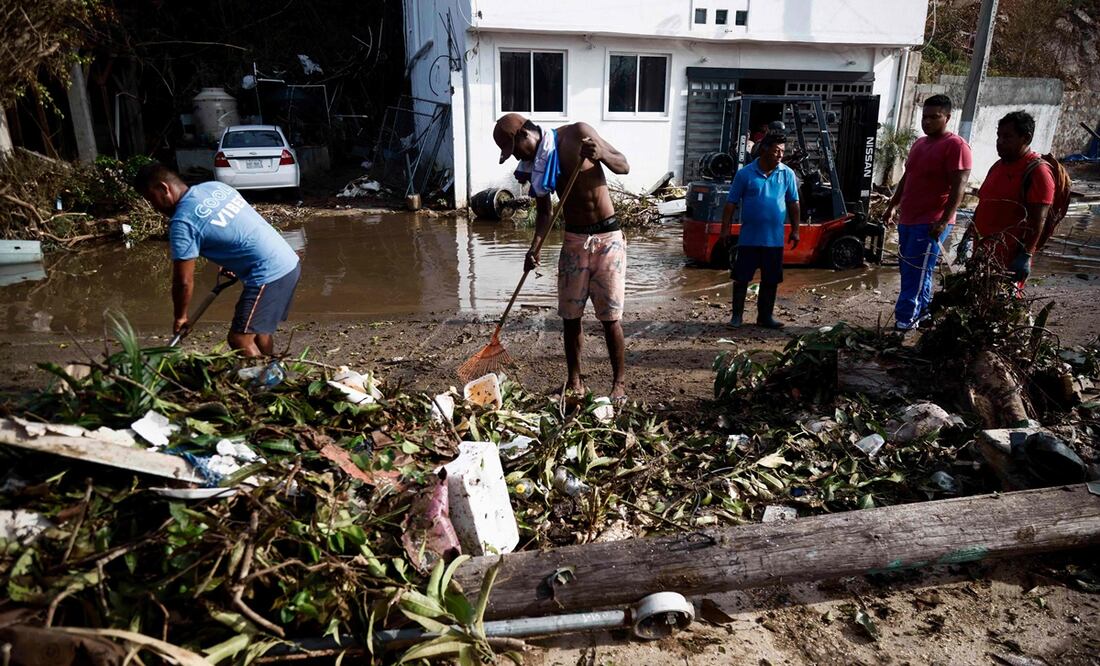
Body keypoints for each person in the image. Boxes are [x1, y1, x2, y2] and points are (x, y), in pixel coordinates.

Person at [493, 113, 630, 401]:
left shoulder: (577, 133)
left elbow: (624, 166)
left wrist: (600, 153)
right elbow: (544, 213)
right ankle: (574, 380)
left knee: (610, 317)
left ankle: (618, 383)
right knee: (570, 316)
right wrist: (535, 248)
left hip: (607, 238)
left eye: (514, 149)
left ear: (523, 135)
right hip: (574, 239)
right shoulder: (536, 166)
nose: (517, 156)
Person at [133, 164, 301, 357]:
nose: (154, 207)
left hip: (269, 273)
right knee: (259, 331)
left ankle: (262, 384)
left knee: (240, 339)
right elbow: (237, 228)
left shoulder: (183, 222)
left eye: (150, 198)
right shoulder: (215, 188)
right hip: (289, 261)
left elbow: (183, 282)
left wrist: (180, 316)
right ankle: (272, 375)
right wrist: (234, 264)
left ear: (164, 189)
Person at [883, 94, 972, 331]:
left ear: (947, 118)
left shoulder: (956, 146)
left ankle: (905, 319)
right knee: (912, 269)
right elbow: (907, 177)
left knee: (915, 270)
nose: (928, 122)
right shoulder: (919, 144)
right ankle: (922, 314)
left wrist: (944, 220)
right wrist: (893, 205)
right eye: (925, 117)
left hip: (931, 221)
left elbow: (959, 187)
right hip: (909, 218)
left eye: (935, 117)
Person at [720, 133, 801, 329]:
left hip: (774, 240)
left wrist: (796, 230)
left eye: (782, 151)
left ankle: (765, 317)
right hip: (749, 238)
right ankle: (737, 317)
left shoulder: (787, 174)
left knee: (770, 280)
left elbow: (793, 203)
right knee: (741, 278)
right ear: (764, 149)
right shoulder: (745, 174)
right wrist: (725, 230)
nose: (780, 155)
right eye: (776, 151)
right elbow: (730, 204)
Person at [970, 111, 1054, 282]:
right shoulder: (997, 167)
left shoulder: (1038, 172)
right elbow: (983, 204)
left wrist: (1026, 255)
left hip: (1009, 262)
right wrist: (969, 237)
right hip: (982, 255)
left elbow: (1039, 220)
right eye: (998, 136)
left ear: (1026, 138)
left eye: (1007, 137)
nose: (1000, 142)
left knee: (1000, 305)